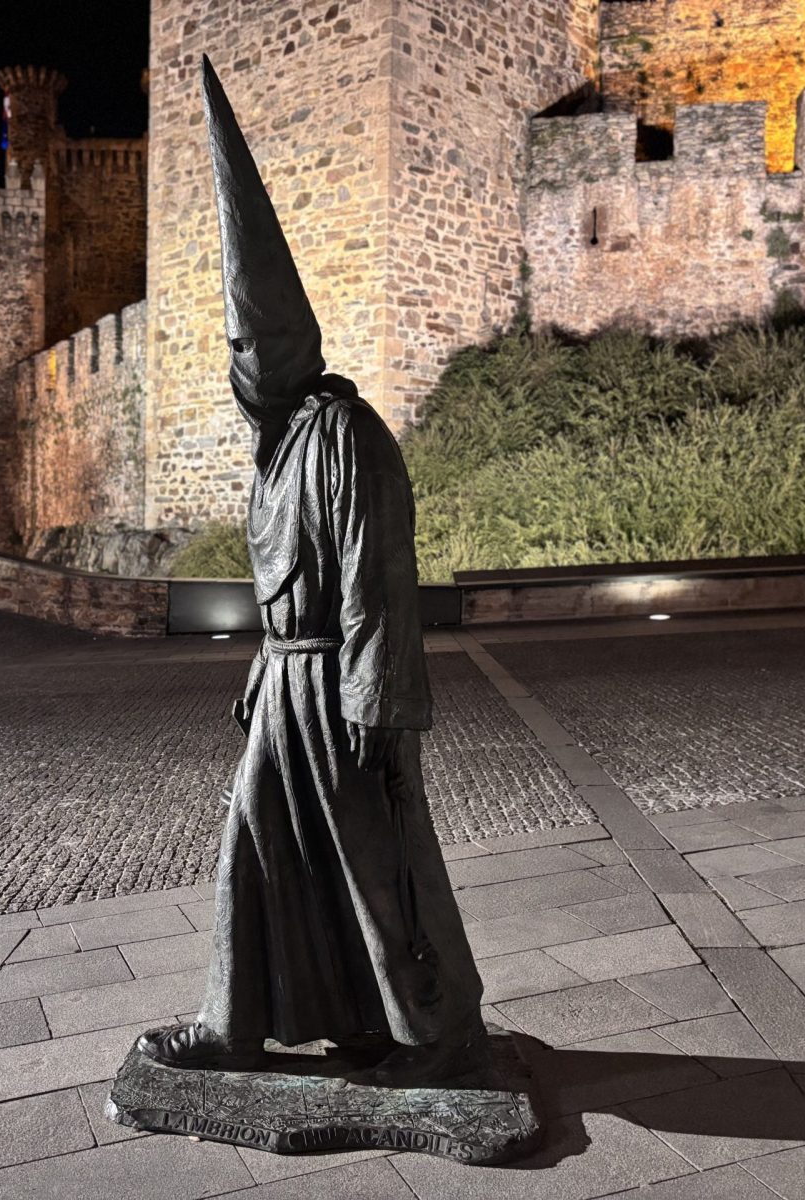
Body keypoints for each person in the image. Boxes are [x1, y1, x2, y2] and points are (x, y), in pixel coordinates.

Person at [137, 57, 485, 1078]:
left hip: (340, 688)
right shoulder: (278, 444)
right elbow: (286, 588)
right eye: (235, 346)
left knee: (376, 868)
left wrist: (377, 704)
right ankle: (234, 1022)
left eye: (253, 343)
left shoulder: (343, 436)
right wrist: (263, 668)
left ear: (290, 345)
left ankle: (425, 1034)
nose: (240, 364)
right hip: (289, 682)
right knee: (258, 844)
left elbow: (376, 580)